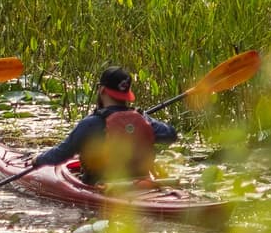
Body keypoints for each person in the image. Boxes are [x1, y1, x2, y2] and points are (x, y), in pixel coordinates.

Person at [28, 66, 177, 185]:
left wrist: (37, 160)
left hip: (101, 185)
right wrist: (143, 119)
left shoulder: (91, 123)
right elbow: (171, 135)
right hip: (142, 182)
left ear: (102, 90)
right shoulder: (143, 120)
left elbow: (61, 153)